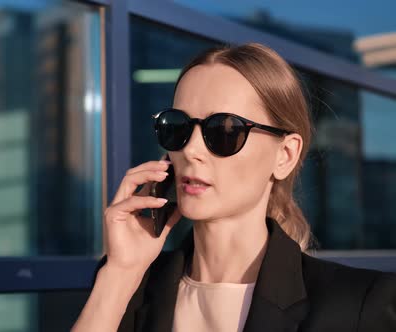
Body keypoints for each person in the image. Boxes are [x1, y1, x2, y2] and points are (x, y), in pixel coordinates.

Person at [71, 42, 396, 332]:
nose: (191, 149)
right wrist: (120, 272)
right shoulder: (129, 283)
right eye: (177, 128)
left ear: (285, 155)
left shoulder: (358, 306)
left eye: (225, 130)